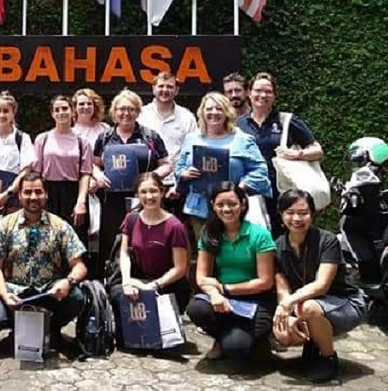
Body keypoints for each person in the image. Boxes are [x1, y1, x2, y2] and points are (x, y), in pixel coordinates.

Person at [0, 173, 88, 351]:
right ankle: (18, 332)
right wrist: (4, 295)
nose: (33, 197)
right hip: (16, 292)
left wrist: (68, 281)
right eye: (28, 192)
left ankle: (51, 330)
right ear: (19, 195)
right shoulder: (5, 225)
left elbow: (79, 266)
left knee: (77, 298)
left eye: (38, 192)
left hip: (48, 292)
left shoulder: (60, 225)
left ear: (46, 195)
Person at [272, 189, 365, 382]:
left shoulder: (327, 240)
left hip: (345, 303)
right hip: (306, 305)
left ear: (312, 214)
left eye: (303, 213)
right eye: (290, 212)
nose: (297, 218)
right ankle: (313, 344)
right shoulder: (279, 245)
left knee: (308, 307)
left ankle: (328, 357)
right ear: (281, 214)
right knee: (284, 334)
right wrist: (286, 315)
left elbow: (321, 285)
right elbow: (283, 288)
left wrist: (288, 304)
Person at [186, 182, 277, 361]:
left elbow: (265, 282)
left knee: (237, 348)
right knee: (196, 308)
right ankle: (222, 338)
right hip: (223, 298)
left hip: (256, 299)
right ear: (212, 205)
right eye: (220, 205)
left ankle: (256, 340)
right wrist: (214, 293)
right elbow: (202, 277)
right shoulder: (209, 233)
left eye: (232, 204)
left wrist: (225, 289)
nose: (226, 209)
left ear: (242, 204)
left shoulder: (259, 235)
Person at [93, 89, 171, 275]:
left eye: (131, 109)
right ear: (114, 112)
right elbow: (94, 164)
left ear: (137, 111)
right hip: (112, 201)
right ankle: (112, 280)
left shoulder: (150, 136)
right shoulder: (104, 138)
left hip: (144, 199)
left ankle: (145, 277)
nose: (126, 113)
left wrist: (151, 179)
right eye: (121, 109)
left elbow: (167, 165)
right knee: (112, 241)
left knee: (143, 239)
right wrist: (98, 175)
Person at [174, 92, 272, 237]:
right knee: (206, 253)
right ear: (202, 112)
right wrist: (184, 173)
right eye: (209, 109)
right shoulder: (191, 138)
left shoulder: (243, 139)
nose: (214, 113)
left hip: (233, 208)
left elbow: (260, 170)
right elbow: (180, 166)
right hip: (199, 208)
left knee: (232, 254)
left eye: (219, 109)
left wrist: (241, 187)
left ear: (227, 112)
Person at [236, 72, 324, 232]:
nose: (262, 95)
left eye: (268, 91)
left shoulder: (287, 121)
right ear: (249, 93)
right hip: (251, 194)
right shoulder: (238, 124)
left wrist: (297, 155)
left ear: (275, 95)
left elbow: (317, 150)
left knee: (285, 240)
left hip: (283, 193)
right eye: (258, 90)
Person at [112, 172, 190, 313]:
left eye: (153, 191)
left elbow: (180, 269)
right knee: (119, 294)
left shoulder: (175, 226)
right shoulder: (131, 219)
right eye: (143, 192)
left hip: (166, 284)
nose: (149, 197)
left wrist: (154, 286)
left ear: (162, 192)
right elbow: (124, 254)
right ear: (137, 195)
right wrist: (127, 281)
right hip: (138, 279)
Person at [33, 95, 92, 240]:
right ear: (52, 114)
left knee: (73, 241)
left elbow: (85, 174)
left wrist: (81, 202)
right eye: (57, 110)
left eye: (65, 108)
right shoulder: (42, 139)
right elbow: (36, 173)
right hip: (48, 194)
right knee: (47, 240)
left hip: (72, 193)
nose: (61, 113)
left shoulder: (82, 142)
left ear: (73, 111)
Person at [137, 71, 197, 161]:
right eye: (161, 86)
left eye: (169, 87)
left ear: (176, 90)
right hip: (147, 173)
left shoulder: (187, 118)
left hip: (178, 173)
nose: (165, 90)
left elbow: (193, 149)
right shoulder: (140, 115)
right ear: (153, 89)